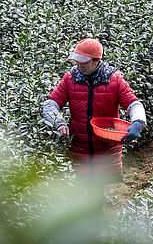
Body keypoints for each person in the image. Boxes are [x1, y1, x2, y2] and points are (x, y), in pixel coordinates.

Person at [41, 38, 147, 175]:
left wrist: (138, 122)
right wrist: (58, 123)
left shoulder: (115, 80)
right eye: (77, 61)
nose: (80, 65)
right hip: (78, 148)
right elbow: (51, 104)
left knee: (99, 189)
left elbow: (133, 104)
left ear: (97, 61)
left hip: (106, 150)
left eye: (84, 62)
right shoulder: (70, 78)